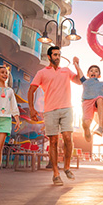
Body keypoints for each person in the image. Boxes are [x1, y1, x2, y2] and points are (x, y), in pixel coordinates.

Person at [27, 46, 81, 186]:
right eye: (55, 55)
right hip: (50, 110)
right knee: (53, 142)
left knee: (68, 138)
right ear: (49, 57)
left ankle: (67, 167)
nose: (58, 57)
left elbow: (80, 81)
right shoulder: (42, 73)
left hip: (67, 109)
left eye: (59, 54)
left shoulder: (66, 71)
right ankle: (56, 173)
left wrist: (77, 65)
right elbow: (31, 90)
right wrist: (32, 109)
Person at [72, 61, 103, 141]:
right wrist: (76, 63)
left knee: (100, 99)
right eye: (91, 70)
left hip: (97, 101)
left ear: (99, 75)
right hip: (87, 102)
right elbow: (79, 70)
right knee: (86, 123)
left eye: (96, 71)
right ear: (88, 74)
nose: (93, 72)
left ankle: (100, 127)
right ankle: (86, 129)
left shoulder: (102, 83)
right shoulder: (85, 81)